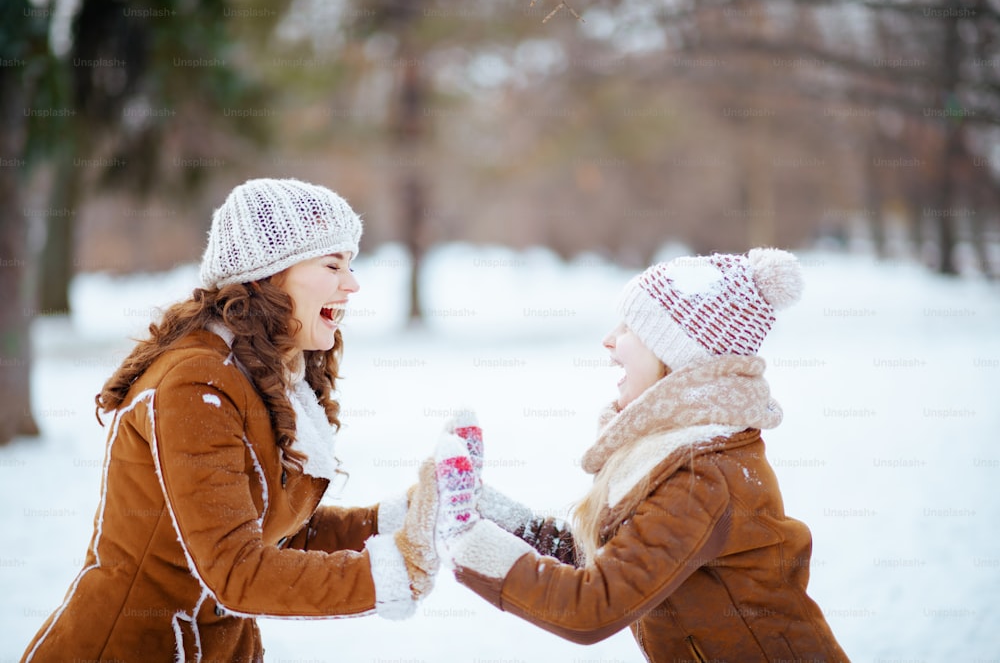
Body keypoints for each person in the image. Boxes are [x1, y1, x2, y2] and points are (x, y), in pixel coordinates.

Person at [22, 178, 439, 663]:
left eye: (352, 264)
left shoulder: (257, 375)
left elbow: (271, 530)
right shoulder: (196, 385)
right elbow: (236, 569)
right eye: (332, 265)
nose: (352, 284)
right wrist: (389, 574)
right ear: (268, 274)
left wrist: (395, 520)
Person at [431, 248, 849, 662]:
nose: (608, 339)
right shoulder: (678, 450)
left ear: (678, 356)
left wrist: (468, 543)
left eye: (630, 327)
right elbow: (610, 559)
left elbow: (593, 605)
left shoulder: (700, 476)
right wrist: (484, 510)